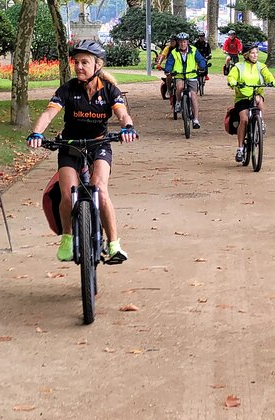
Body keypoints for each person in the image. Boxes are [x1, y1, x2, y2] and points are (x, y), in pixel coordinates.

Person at [26, 40, 137, 263]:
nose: (78, 67)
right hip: (70, 145)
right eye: (75, 62)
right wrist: (37, 133)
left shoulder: (110, 91)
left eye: (84, 62)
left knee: (100, 189)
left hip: (98, 145)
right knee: (67, 194)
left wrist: (127, 127)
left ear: (98, 65)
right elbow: (48, 114)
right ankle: (67, 238)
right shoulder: (67, 89)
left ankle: (114, 244)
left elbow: (122, 114)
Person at [227, 42, 275, 162]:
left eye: (256, 53)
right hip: (242, 96)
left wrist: (273, 82)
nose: (255, 55)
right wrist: (233, 82)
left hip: (256, 93)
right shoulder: (239, 66)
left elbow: (268, 76)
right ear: (246, 55)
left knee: (259, 101)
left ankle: (261, 122)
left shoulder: (261, 66)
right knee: (244, 120)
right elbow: (231, 76)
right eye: (252, 53)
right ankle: (240, 149)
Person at [164, 32, 207, 129]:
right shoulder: (174, 52)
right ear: (178, 43)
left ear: (187, 42)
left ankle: (196, 120)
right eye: (181, 42)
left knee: (193, 96)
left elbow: (200, 59)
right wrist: (168, 70)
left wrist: (202, 67)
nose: (183, 44)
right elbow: (169, 63)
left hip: (191, 75)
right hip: (179, 75)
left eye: (184, 42)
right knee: (179, 87)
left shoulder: (194, 50)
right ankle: (179, 102)